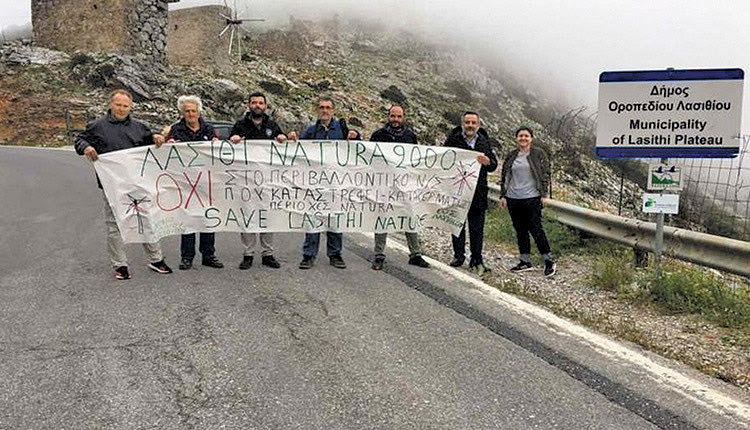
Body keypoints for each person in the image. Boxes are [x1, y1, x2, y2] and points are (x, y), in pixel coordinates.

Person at [75, 89, 172, 280]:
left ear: (131, 107)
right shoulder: (97, 126)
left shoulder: (139, 126)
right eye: (118, 105)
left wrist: (156, 137)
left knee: (146, 219)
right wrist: (86, 147)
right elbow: (80, 139)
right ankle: (120, 265)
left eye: (125, 106)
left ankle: (156, 258)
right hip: (111, 185)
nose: (121, 109)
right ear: (111, 104)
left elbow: (149, 139)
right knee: (114, 225)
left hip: (137, 183)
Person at [296, 95, 360, 270]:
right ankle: (309, 255)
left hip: (335, 183)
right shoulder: (310, 131)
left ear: (333, 110)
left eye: (328, 107)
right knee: (313, 218)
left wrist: (356, 136)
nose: (324, 110)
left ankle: (335, 254)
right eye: (321, 107)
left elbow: (357, 147)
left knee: (335, 218)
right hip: (315, 184)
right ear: (317, 110)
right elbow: (297, 150)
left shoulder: (341, 129)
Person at [165, 95, 224, 271]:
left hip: (206, 182)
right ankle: (187, 256)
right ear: (182, 113)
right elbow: (166, 153)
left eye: (193, 111)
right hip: (185, 182)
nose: (190, 114)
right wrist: (169, 144)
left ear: (199, 112)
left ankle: (208, 254)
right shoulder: (176, 130)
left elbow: (218, 152)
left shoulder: (209, 128)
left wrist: (217, 144)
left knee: (208, 217)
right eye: (187, 111)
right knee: (188, 218)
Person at [229, 92, 287, 270]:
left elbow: (283, 145)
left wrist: (282, 139)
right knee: (247, 215)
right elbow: (228, 149)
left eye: (260, 103)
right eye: (254, 102)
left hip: (268, 180)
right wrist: (234, 140)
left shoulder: (272, 124)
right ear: (249, 105)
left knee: (267, 216)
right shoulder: (240, 125)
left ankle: (267, 254)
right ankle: (248, 254)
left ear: (265, 105)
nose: (257, 105)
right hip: (246, 180)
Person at [369, 105, 430, 270]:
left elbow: (415, 159)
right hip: (384, 184)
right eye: (393, 116)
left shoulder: (410, 136)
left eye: (399, 116)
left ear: (403, 118)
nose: (395, 120)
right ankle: (379, 254)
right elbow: (370, 158)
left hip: (404, 185)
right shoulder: (378, 135)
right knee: (382, 217)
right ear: (388, 116)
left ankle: (415, 254)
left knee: (410, 215)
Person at [443, 111, 498, 275]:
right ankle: (458, 256)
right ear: (462, 124)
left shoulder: (484, 142)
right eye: (467, 122)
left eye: (473, 123)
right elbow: (444, 161)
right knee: (457, 225)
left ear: (478, 125)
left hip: (478, 192)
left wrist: (488, 162)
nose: (470, 126)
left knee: (477, 229)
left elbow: (493, 165)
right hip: (457, 191)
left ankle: (476, 259)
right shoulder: (452, 140)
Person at [499, 126, 556, 277]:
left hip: (532, 197)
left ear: (531, 138)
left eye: (526, 136)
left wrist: (543, 194)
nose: (523, 138)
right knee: (520, 230)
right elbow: (505, 176)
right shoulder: (512, 155)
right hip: (513, 197)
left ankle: (548, 260)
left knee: (536, 228)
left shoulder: (538, 154)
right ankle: (525, 261)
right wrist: (503, 195)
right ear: (516, 138)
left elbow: (545, 174)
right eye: (520, 136)